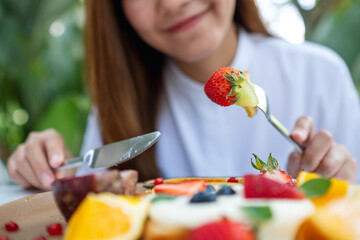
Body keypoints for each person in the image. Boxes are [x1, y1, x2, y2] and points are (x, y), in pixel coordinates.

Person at [7, 0, 360, 191]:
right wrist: (45, 166)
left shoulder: (321, 76)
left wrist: (337, 190)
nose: (174, 4)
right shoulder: (119, 104)